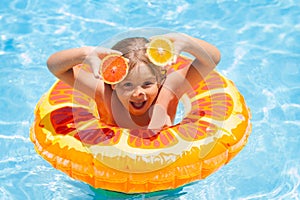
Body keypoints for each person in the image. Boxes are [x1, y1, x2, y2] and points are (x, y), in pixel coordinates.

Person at [47, 32, 221, 131]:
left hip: (164, 179)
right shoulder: (103, 92)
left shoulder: (170, 89)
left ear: (160, 79)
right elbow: (55, 66)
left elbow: (212, 59)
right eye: (128, 85)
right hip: (110, 178)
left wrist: (187, 42)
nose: (138, 93)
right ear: (113, 82)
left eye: (147, 84)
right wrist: (84, 54)